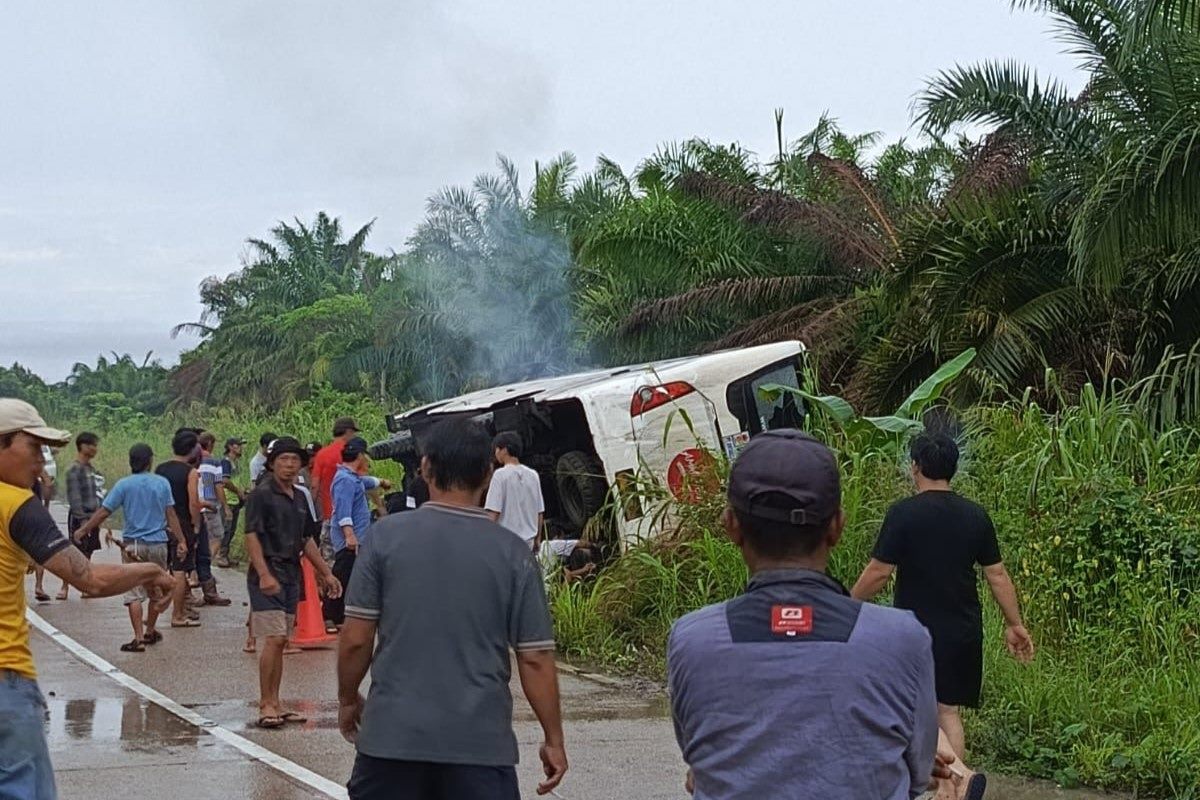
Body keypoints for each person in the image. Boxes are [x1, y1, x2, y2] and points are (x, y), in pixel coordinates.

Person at [668, 429, 941, 800]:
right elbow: (919, 773)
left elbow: (699, 757)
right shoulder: (902, 639)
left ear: (731, 525)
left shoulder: (691, 640)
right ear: (837, 526)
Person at [337, 418, 567, 800]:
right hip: (480, 748)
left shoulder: (384, 538)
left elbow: (356, 639)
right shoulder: (513, 553)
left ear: (425, 467)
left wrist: (348, 699)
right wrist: (553, 739)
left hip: (391, 744)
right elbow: (536, 658)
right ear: (488, 473)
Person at [0, 398, 175, 799]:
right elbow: (91, 580)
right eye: (33, 449)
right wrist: (151, 571)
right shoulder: (16, 505)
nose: (41, 463)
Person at [852, 431, 1034, 760]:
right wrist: (1014, 623)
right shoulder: (975, 515)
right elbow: (997, 574)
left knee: (918, 709)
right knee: (947, 712)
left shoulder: (903, 513)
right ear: (953, 468)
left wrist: (846, 606)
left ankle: (950, 784)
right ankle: (955, 785)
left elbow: (879, 572)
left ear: (916, 467)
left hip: (915, 630)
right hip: (961, 628)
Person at [244, 436, 342, 729]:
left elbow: (306, 539)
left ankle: (276, 701)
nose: (289, 465)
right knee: (273, 639)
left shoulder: (301, 497)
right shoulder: (261, 495)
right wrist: (263, 574)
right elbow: (251, 535)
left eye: (294, 459)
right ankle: (266, 703)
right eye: (283, 459)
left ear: (301, 464)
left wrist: (325, 572)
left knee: (282, 639)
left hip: (291, 574)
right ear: (272, 463)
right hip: (268, 572)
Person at [75, 444, 192, 649]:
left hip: (133, 546)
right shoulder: (161, 483)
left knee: (134, 590)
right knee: (156, 586)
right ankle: (150, 631)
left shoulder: (124, 485)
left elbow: (104, 511)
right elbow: (171, 515)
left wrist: (84, 530)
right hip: (158, 544)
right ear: (149, 461)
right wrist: (181, 540)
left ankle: (138, 638)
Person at [323, 437, 389, 630]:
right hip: (349, 539)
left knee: (351, 575)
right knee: (342, 574)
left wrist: (381, 481)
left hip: (358, 537)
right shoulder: (344, 480)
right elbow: (343, 509)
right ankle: (328, 614)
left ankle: (339, 615)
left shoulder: (351, 477)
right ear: (360, 456)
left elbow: (364, 482)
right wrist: (349, 535)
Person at [155, 430, 206, 621]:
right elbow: (194, 502)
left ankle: (158, 609)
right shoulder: (191, 472)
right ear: (192, 450)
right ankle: (177, 613)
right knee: (180, 569)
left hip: (162, 522)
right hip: (183, 522)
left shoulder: (160, 469)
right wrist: (196, 525)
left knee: (164, 566)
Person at [58, 432, 103, 600]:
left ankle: (85, 586)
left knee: (88, 552)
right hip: (80, 517)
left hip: (93, 516)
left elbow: (98, 494)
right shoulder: (74, 470)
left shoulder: (92, 469)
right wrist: (83, 521)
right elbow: (74, 497)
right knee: (74, 552)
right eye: (92, 445)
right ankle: (65, 586)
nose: (94, 449)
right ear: (83, 446)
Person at [310, 417, 359, 563]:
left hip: (330, 516)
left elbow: (314, 486)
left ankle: (331, 584)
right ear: (348, 432)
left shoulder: (322, 454)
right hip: (353, 518)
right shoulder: (354, 454)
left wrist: (311, 513)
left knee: (330, 560)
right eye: (354, 433)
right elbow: (362, 482)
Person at [484, 432, 544, 550]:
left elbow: (493, 513)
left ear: (504, 450)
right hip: (529, 542)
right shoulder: (533, 475)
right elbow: (539, 511)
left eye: (497, 449)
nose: (496, 453)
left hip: (508, 544)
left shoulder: (500, 475)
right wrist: (538, 539)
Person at [216, 437, 246, 568]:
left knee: (231, 529)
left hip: (235, 500)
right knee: (226, 529)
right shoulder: (226, 462)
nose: (240, 448)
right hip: (228, 499)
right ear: (230, 447)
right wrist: (237, 491)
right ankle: (220, 555)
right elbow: (225, 481)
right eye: (238, 445)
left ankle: (225, 554)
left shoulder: (236, 463)